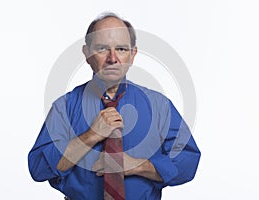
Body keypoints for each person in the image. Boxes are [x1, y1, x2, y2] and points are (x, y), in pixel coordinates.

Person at [28, 12, 201, 200]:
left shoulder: (159, 106)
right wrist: (91, 136)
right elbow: (39, 168)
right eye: (102, 49)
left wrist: (138, 166)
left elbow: (188, 161)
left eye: (121, 49)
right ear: (87, 54)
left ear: (132, 54)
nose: (112, 58)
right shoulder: (64, 107)